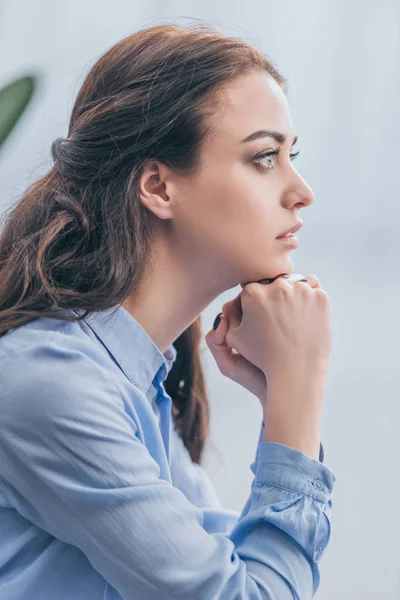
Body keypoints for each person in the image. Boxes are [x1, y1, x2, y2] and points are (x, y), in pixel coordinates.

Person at [0, 21, 336, 600]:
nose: (301, 190)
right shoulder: (53, 382)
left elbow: (234, 570)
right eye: (264, 157)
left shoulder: (133, 378)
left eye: (291, 155)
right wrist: (296, 396)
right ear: (157, 187)